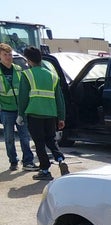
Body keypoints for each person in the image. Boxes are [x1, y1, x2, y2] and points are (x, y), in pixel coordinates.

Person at [17, 46, 67, 180]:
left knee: (39, 143)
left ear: (28, 60)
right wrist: (61, 117)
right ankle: (60, 158)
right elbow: (59, 99)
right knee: (50, 139)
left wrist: (20, 114)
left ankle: (45, 170)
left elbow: (23, 97)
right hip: (51, 115)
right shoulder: (53, 76)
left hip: (34, 114)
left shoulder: (27, 74)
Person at [0, 42, 36, 171]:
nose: (8, 57)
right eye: (5, 54)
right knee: (9, 138)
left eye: (10, 54)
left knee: (25, 137)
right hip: (6, 110)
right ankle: (13, 161)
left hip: (20, 109)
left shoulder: (19, 69)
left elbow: (24, 88)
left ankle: (28, 161)